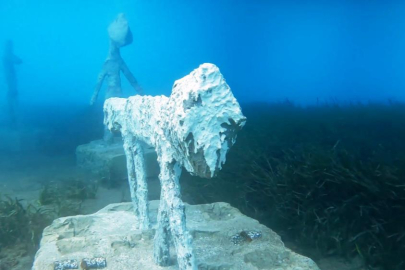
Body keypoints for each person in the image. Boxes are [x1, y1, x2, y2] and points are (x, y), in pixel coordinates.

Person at [90, 13, 143, 143]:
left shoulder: (114, 61)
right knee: (111, 116)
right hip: (114, 93)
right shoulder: (112, 62)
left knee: (115, 116)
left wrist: (94, 96)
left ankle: (113, 139)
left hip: (115, 93)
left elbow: (129, 77)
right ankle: (109, 139)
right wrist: (94, 96)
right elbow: (101, 80)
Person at [3, 40, 22, 127]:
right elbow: (18, 61)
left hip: (11, 77)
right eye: (11, 45)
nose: (12, 46)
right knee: (12, 95)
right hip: (10, 77)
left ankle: (13, 116)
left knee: (13, 94)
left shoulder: (7, 54)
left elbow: (18, 61)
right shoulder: (8, 54)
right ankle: (13, 117)